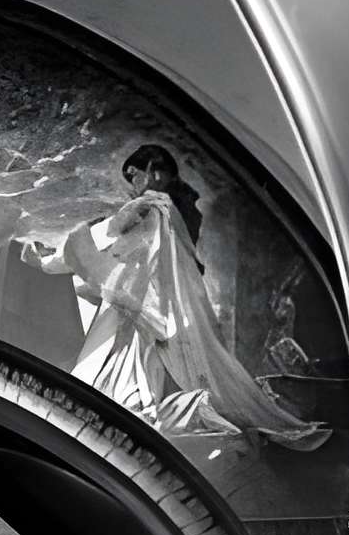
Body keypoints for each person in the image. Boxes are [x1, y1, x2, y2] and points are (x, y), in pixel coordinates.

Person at [26, 144, 326, 449]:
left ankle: (151, 408)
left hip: (143, 294)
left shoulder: (152, 205)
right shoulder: (167, 208)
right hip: (147, 294)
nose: (133, 184)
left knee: (124, 364)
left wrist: (52, 259)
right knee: (130, 361)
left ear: (153, 173)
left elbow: (107, 237)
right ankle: (141, 406)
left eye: (136, 175)